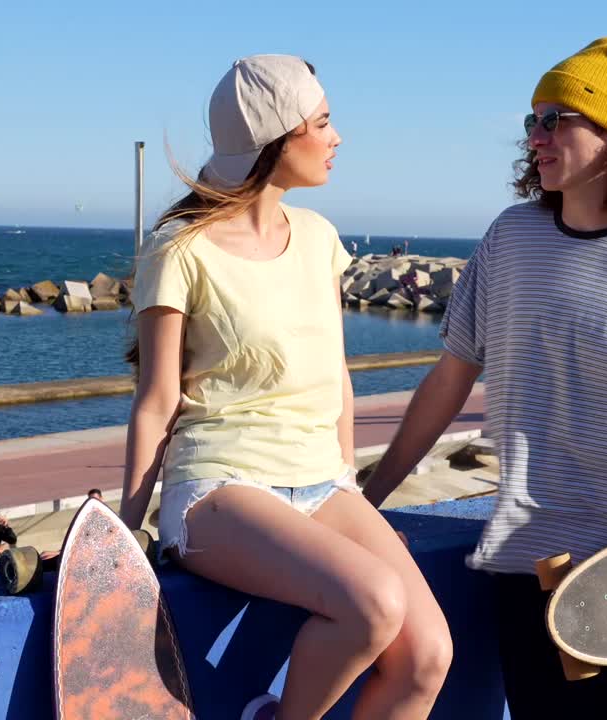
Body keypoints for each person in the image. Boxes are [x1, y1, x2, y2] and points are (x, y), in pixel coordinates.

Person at [363, 32, 607, 720]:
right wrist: (367, 501)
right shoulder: (510, 240)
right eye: (530, 121)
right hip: (529, 566)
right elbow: (447, 381)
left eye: (556, 120)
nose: (535, 137)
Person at [118, 54, 451, 720]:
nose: (337, 137)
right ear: (276, 138)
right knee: (374, 603)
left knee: (427, 657)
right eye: (322, 121)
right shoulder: (181, 247)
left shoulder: (320, 239)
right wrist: (124, 539)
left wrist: (353, 492)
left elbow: (335, 379)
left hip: (322, 482)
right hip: (221, 486)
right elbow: (157, 401)